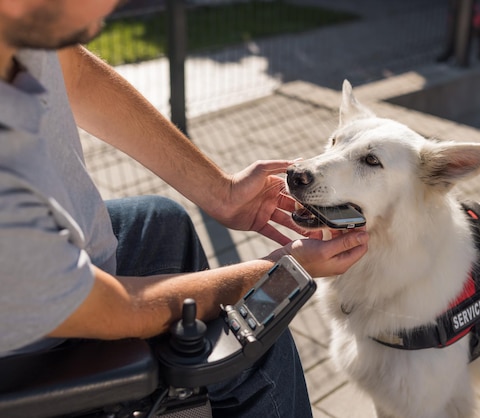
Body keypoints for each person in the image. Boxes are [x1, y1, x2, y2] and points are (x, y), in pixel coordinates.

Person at [0, 1, 369, 416]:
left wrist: (222, 192)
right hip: (37, 347)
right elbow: (120, 309)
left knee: (162, 220)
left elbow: (72, 71)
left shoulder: (21, 31)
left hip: (55, 260)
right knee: (256, 325)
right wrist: (283, 271)